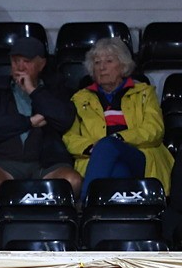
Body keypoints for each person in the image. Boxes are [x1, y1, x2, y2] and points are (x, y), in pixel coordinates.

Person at [0, 37, 82, 209]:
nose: (20, 67)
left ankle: (51, 229)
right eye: (16, 61)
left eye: (27, 61)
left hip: (48, 163)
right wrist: (28, 122)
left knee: (73, 181)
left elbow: (64, 119)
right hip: (5, 162)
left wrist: (33, 90)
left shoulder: (55, 87)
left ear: (42, 64)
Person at [63, 37, 174, 203]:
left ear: (123, 65)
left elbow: (154, 129)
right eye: (97, 62)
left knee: (108, 145)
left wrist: (120, 139)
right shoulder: (80, 99)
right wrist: (93, 148)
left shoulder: (144, 93)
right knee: (116, 169)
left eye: (108, 61)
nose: (102, 67)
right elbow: (69, 137)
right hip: (99, 160)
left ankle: (86, 202)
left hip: (138, 155)